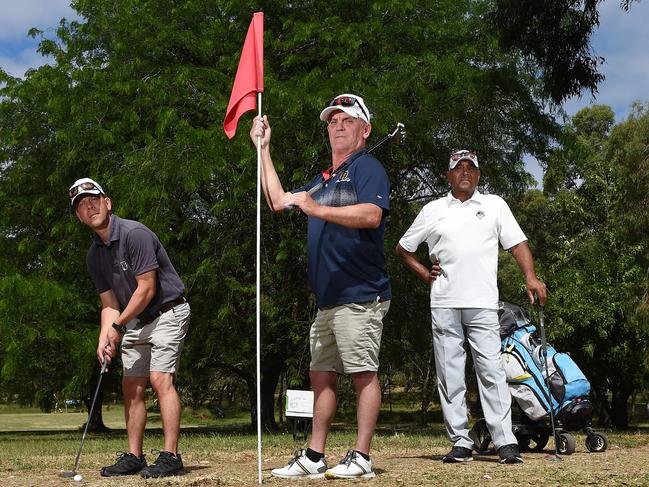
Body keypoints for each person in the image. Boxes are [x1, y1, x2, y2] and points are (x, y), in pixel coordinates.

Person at [250, 94, 391, 479]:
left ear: (366, 130)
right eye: (333, 121)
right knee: (321, 375)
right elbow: (277, 201)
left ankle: (361, 457)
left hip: (361, 293)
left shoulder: (368, 168)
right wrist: (263, 150)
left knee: (363, 373)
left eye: (347, 120)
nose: (338, 126)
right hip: (327, 300)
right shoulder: (322, 180)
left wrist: (317, 209)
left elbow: (371, 215)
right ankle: (315, 455)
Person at [395, 150, 547, 464]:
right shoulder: (432, 210)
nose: (465, 173)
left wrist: (530, 276)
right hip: (445, 303)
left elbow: (518, 245)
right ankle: (461, 443)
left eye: (471, 168)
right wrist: (425, 274)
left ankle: (505, 442)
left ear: (478, 175)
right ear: (448, 175)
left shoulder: (494, 205)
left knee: (491, 371)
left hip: (483, 303)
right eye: (458, 168)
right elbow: (403, 248)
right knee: (450, 375)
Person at [69, 177, 190, 478]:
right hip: (135, 319)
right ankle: (135, 456)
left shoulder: (135, 234)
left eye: (94, 199)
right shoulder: (94, 256)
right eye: (82, 206)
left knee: (160, 378)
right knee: (131, 386)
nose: (90, 206)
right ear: (79, 217)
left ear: (107, 203)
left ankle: (171, 456)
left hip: (167, 311)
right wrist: (104, 337)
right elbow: (109, 303)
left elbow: (146, 289)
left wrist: (118, 326)